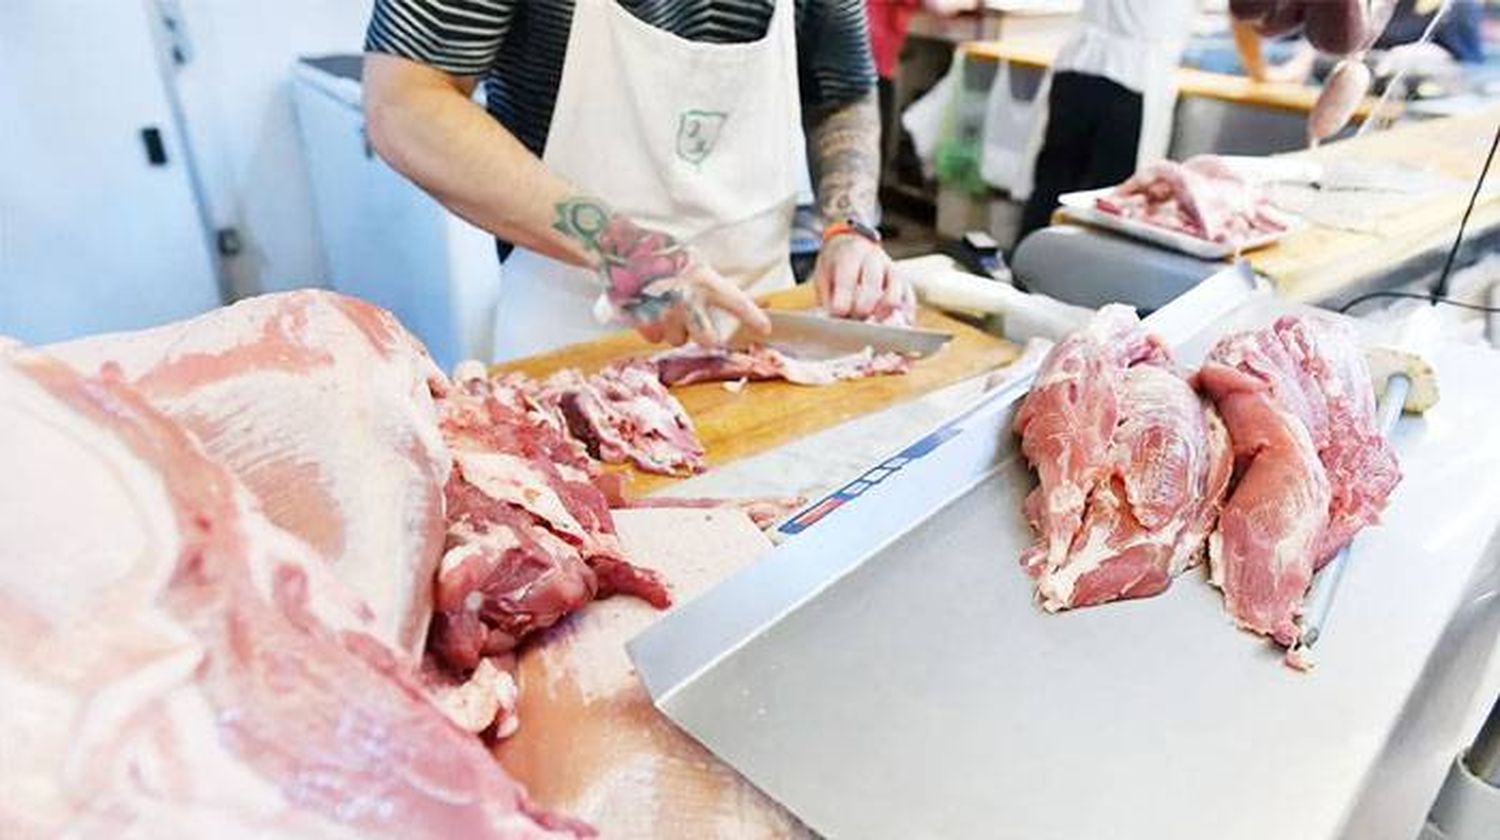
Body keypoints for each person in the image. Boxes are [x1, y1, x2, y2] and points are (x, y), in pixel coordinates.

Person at [363, 0, 914, 361]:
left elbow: (842, 90)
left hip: (763, 331)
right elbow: (405, 102)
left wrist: (848, 226)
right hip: (574, 339)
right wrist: (624, 250)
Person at [1016, 0, 1201, 244]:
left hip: (1078, 67)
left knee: (1054, 188)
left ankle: (1025, 271)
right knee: (1112, 205)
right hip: (1132, 79)